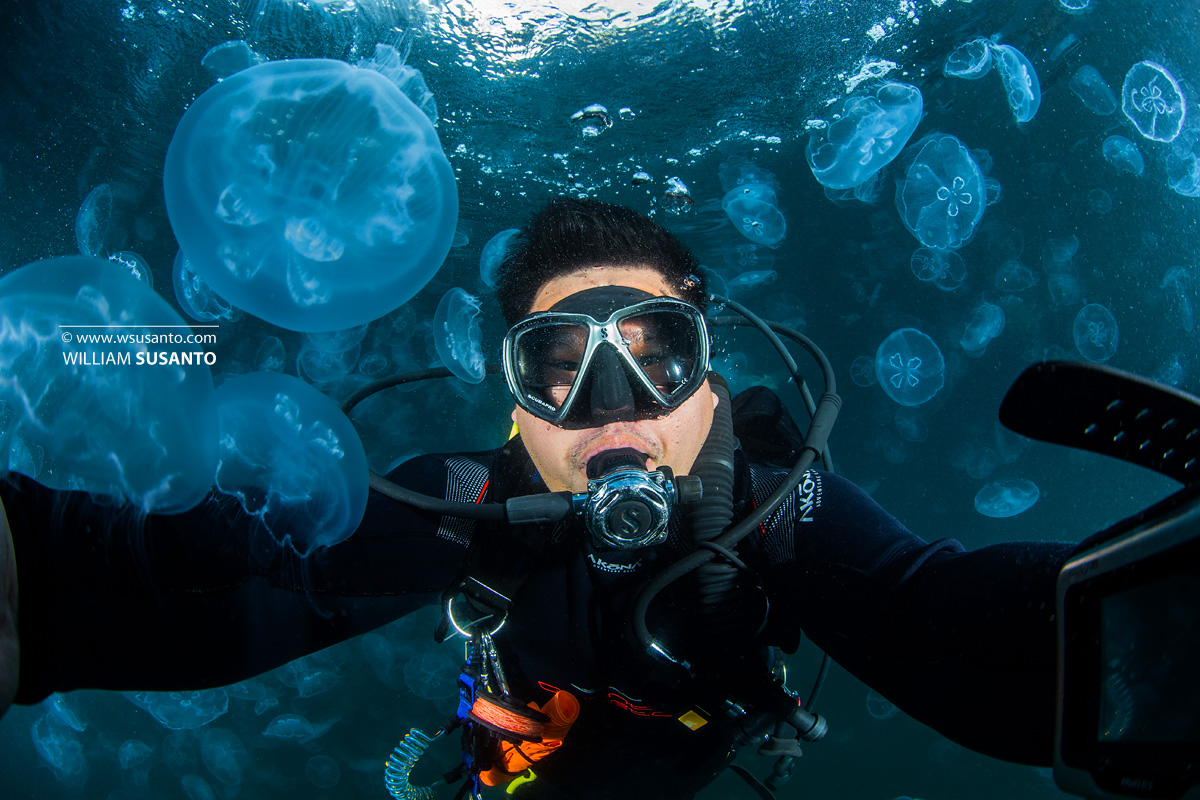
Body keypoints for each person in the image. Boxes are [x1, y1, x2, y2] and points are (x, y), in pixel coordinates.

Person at [0, 197, 1074, 799]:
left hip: (688, 730)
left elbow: (946, 619)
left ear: (712, 379)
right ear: (515, 397)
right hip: (523, 740)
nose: (610, 405)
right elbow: (239, 569)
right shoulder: (468, 496)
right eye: (559, 362)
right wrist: (24, 581)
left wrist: (1146, 623)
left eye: (656, 355)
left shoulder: (774, 503)